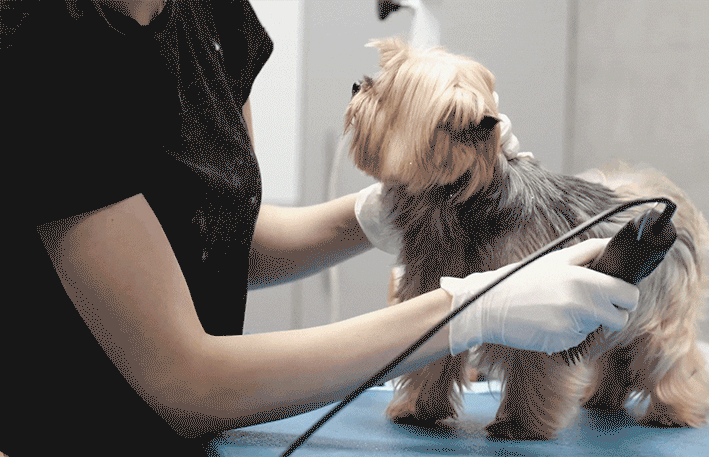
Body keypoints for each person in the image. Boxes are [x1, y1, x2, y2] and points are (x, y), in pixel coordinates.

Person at [1, 1, 639, 455]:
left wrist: (373, 215)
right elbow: (182, 379)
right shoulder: (41, 45)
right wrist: (465, 312)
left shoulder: (212, 17)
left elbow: (224, 242)